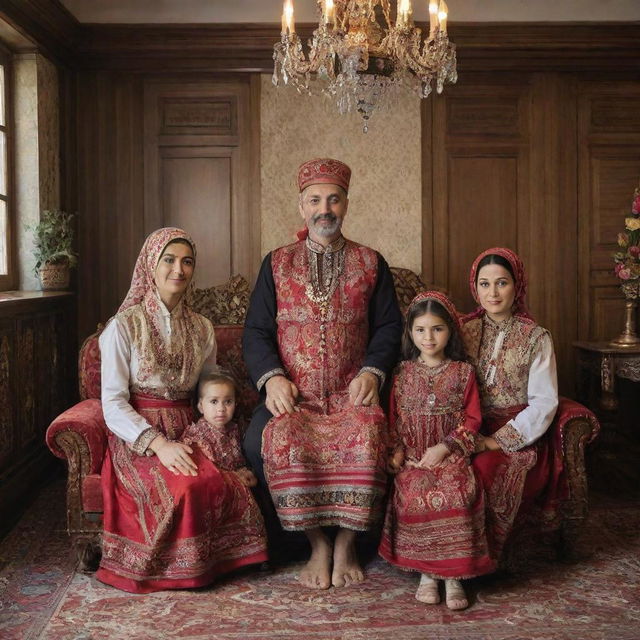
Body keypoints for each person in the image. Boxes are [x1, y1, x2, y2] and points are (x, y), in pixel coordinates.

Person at [242, 158, 403, 590]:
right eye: (315, 200)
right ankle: (315, 543)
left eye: (333, 199)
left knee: (371, 438)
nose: (324, 208)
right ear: (301, 206)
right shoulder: (275, 264)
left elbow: (389, 326)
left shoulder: (372, 262)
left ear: (346, 203)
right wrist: (273, 378)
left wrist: (372, 372)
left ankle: (348, 542)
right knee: (266, 442)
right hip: (295, 396)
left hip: (355, 395)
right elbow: (256, 330)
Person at [97, 227, 267, 593]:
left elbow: (209, 390)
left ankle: (221, 561)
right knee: (192, 485)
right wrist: (157, 444)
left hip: (192, 431)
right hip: (139, 438)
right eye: (169, 260)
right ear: (150, 265)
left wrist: (222, 445)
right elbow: (111, 403)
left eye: (187, 261)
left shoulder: (201, 328)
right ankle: (180, 569)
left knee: (220, 480)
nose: (179, 269)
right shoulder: (123, 326)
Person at [378, 291, 494, 611]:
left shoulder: (463, 372)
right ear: (410, 333)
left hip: (450, 454)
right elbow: (393, 420)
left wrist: (445, 449)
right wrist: (399, 453)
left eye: (437, 329)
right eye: (420, 330)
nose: (428, 338)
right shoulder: (401, 374)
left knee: (458, 493)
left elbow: (472, 420)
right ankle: (428, 575)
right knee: (414, 492)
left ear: (450, 331)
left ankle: (454, 577)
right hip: (414, 456)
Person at [461, 247, 558, 563]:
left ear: (517, 285)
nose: (493, 293)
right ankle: (444, 559)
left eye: (501, 283)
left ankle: (483, 561)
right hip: (467, 425)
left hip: (516, 435)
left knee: (485, 473)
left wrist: (495, 440)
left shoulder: (536, 337)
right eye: (484, 284)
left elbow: (544, 403)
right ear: (474, 287)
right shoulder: (461, 331)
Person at [181, 372, 258, 488]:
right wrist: (235, 478)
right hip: (215, 488)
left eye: (228, 402)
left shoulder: (238, 429)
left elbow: (246, 459)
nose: (221, 409)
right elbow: (203, 472)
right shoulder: (196, 436)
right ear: (201, 406)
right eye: (214, 401)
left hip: (241, 486)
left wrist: (248, 473)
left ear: (235, 404)